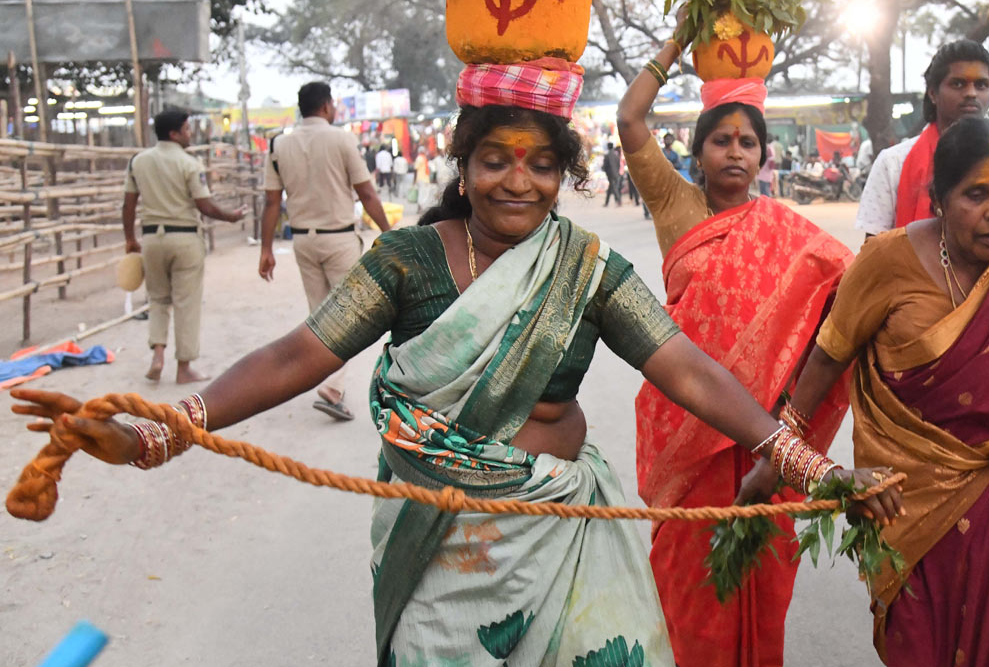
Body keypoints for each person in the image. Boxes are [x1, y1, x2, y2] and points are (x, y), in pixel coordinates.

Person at [12, 86, 901, 667]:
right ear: (464, 169)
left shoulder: (586, 267)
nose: (519, 180)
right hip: (439, 538)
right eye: (496, 159)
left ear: (564, 175)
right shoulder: (408, 261)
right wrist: (163, 428)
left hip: (563, 533)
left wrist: (814, 468)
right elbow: (298, 356)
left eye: (542, 163)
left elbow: (690, 372)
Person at [738, 117, 989, 667]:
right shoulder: (887, 260)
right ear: (940, 198)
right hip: (908, 499)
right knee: (922, 642)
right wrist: (778, 453)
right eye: (977, 194)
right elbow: (829, 355)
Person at [617, 36, 859, 667]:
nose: (734, 151)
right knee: (690, 577)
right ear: (696, 152)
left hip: (769, 435)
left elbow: (845, 311)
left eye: (747, 142)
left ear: (763, 156)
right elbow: (628, 119)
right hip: (688, 419)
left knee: (763, 576)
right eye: (720, 140)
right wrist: (679, 42)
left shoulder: (790, 232)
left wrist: (792, 431)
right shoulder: (676, 203)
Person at [259, 81, 392, 421]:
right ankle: (331, 385)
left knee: (319, 315)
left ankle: (324, 380)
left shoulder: (279, 146)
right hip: (339, 239)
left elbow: (272, 201)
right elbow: (367, 194)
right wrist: (388, 232)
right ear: (326, 106)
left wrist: (266, 249)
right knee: (349, 316)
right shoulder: (342, 139)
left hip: (302, 241)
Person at [122, 108, 247, 384]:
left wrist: (131, 239)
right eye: (187, 129)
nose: (191, 134)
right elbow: (203, 205)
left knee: (157, 299)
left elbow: (128, 203)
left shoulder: (138, 162)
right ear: (174, 133)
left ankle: (157, 355)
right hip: (185, 238)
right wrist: (230, 216)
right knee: (186, 303)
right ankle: (184, 368)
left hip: (153, 239)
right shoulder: (189, 164)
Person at [855, 39, 989, 235]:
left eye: (981, 85)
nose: (971, 93)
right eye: (958, 84)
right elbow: (874, 252)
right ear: (933, 93)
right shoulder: (893, 163)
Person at [602, 142, 623, 206]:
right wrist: (616, 171)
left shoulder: (607, 155)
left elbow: (605, 166)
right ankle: (606, 203)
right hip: (616, 173)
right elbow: (618, 164)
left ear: (608, 147)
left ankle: (619, 200)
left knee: (613, 187)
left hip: (610, 174)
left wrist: (605, 170)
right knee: (611, 187)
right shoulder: (616, 155)